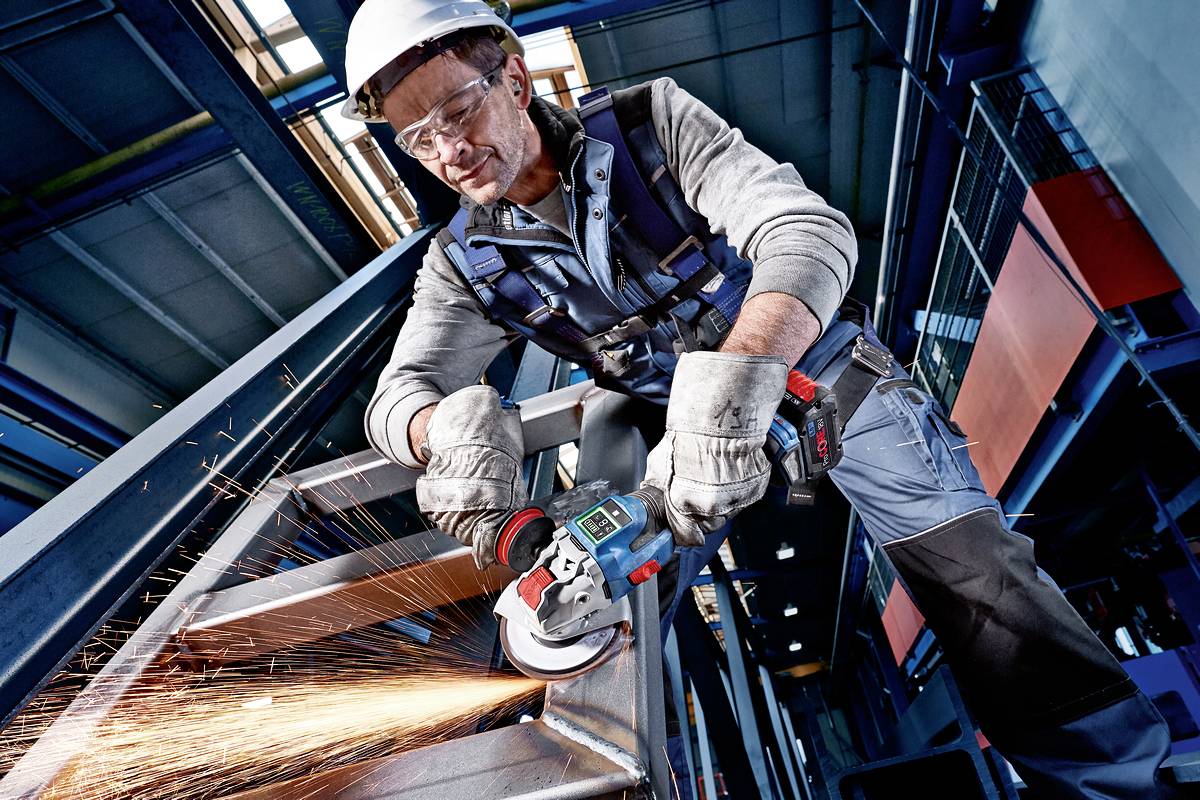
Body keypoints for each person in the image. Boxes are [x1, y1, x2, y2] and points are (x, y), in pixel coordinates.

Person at [342, 1, 1178, 796]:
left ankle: (1113, 785)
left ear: (516, 82)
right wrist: (437, 430)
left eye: (454, 111)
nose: (446, 149)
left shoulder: (646, 126)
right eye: (417, 137)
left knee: (980, 579)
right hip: (666, 432)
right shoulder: (461, 262)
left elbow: (801, 229)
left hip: (809, 370)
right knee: (579, 616)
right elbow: (399, 395)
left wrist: (744, 369)